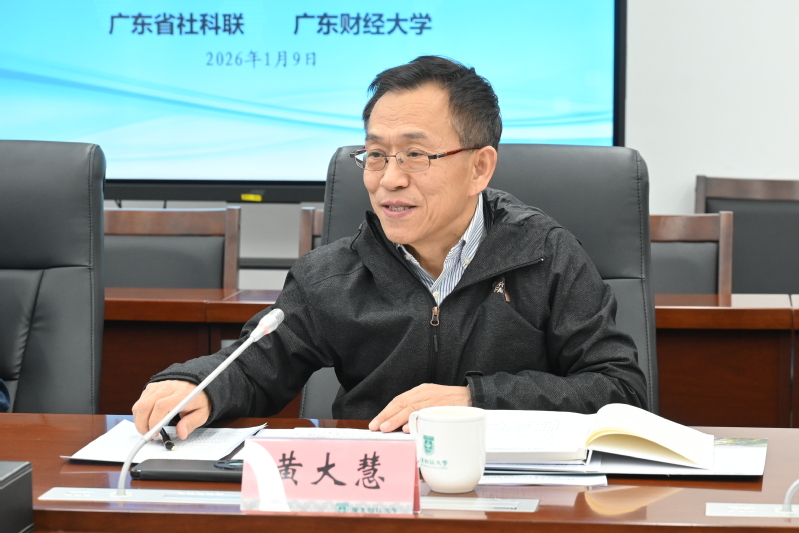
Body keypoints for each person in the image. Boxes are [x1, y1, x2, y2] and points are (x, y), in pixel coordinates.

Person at [133, 56, 647, 440]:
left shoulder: (545, 255)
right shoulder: (331, 276)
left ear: (479, 168)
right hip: (372, 493)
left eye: (415, 154)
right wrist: (193, 385)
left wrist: (478, 400)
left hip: (511, 496)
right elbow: (253, 365)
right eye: (376, 154)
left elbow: (619, 388)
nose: (389, 179)